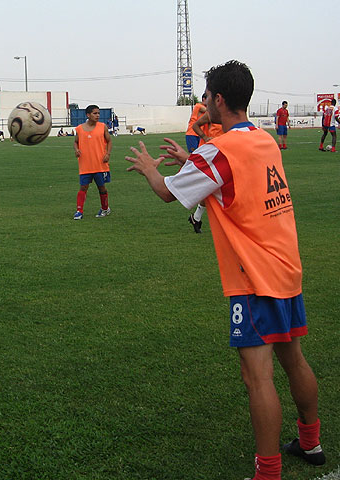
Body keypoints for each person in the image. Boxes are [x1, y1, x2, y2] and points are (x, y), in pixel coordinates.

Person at [126, 60, 324, 480]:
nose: (203, 106)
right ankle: (311, 441)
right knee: (294, 360)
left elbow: (167, 193)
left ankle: (267, 473)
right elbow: (232, 177)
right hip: (287, 266)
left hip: (253, 277)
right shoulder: (263, 139)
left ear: (218, 99)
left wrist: (149, 169)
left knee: (257, 377)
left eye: (206, 98)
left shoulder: (220, 151)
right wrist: (192, 156)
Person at [187, 109, 225, 234]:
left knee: (213, 188)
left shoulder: (231, 115)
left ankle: (196, 218)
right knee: (214, 187)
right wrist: (205, 137)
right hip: (210, 154)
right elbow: (195, 125)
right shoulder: (212, 113)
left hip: (224, 153)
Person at [73, 104, 112, 220]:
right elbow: (75, 142)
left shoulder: (102, 127)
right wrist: (76, 150)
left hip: (100, 164)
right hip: (85, 165)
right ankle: (79, 211)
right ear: (88, 115)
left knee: (102, 188)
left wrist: (108, 154)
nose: (98, 115)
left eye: (98, 113)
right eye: (95, 113)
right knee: (83, 187)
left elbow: (109, 141)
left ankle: (105, 208)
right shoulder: (79, 129)